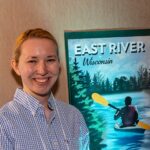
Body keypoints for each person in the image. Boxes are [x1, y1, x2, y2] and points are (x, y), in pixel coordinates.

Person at [0, 28, 89, 150]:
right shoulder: (4, 122)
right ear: (16, 66)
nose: (42, 70)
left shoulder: (73, 116)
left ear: (59, 64)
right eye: (32, 61)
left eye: (50, 60)